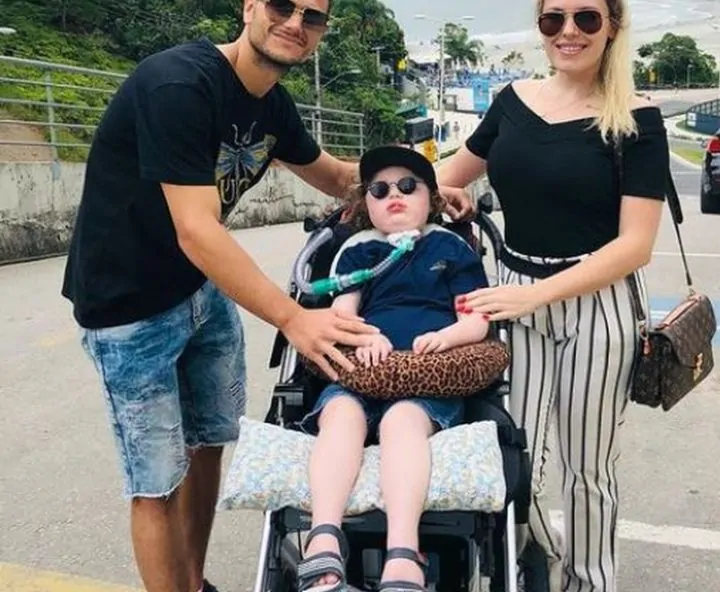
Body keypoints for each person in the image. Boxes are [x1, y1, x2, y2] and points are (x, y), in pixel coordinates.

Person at [60, 1, 473, 591]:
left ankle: (194, 581)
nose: (295, 22)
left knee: (208, 443)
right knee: (157, 481)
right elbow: (196, 229)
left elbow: (339, 176)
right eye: (281, 5)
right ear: (249, 5)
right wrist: (293, 318)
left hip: (201, 285)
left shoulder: (270, 103)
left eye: (313, 16)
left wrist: (428, 187)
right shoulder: (180, 86)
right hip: (128, 304)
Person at [435, 1, 670, 591]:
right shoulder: (512, 102)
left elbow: (635, 245)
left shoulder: (636, 119)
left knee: (589, 469)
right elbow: (446, 176)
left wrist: (535, 297)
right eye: (553, 19)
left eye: (586, 18)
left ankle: (589, 582)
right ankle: (541, 557)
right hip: (514, 295)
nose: (568, 32)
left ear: (612, 26)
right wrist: (443, 195)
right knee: (513, 463)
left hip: (598, 305)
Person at [295, 145, 491, 592]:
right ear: (366, 203)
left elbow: (476, 318)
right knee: (339, 416)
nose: (394, 195)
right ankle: (324, 535)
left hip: (426, 377)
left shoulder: (450, 246)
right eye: (379, 190)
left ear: (431, 198)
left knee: (401, 422)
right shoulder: (358, 249)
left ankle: (403, 552)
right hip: (364, 370)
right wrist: (365, 336)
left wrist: (447, 338)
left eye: (407, 185)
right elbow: (342, 312)